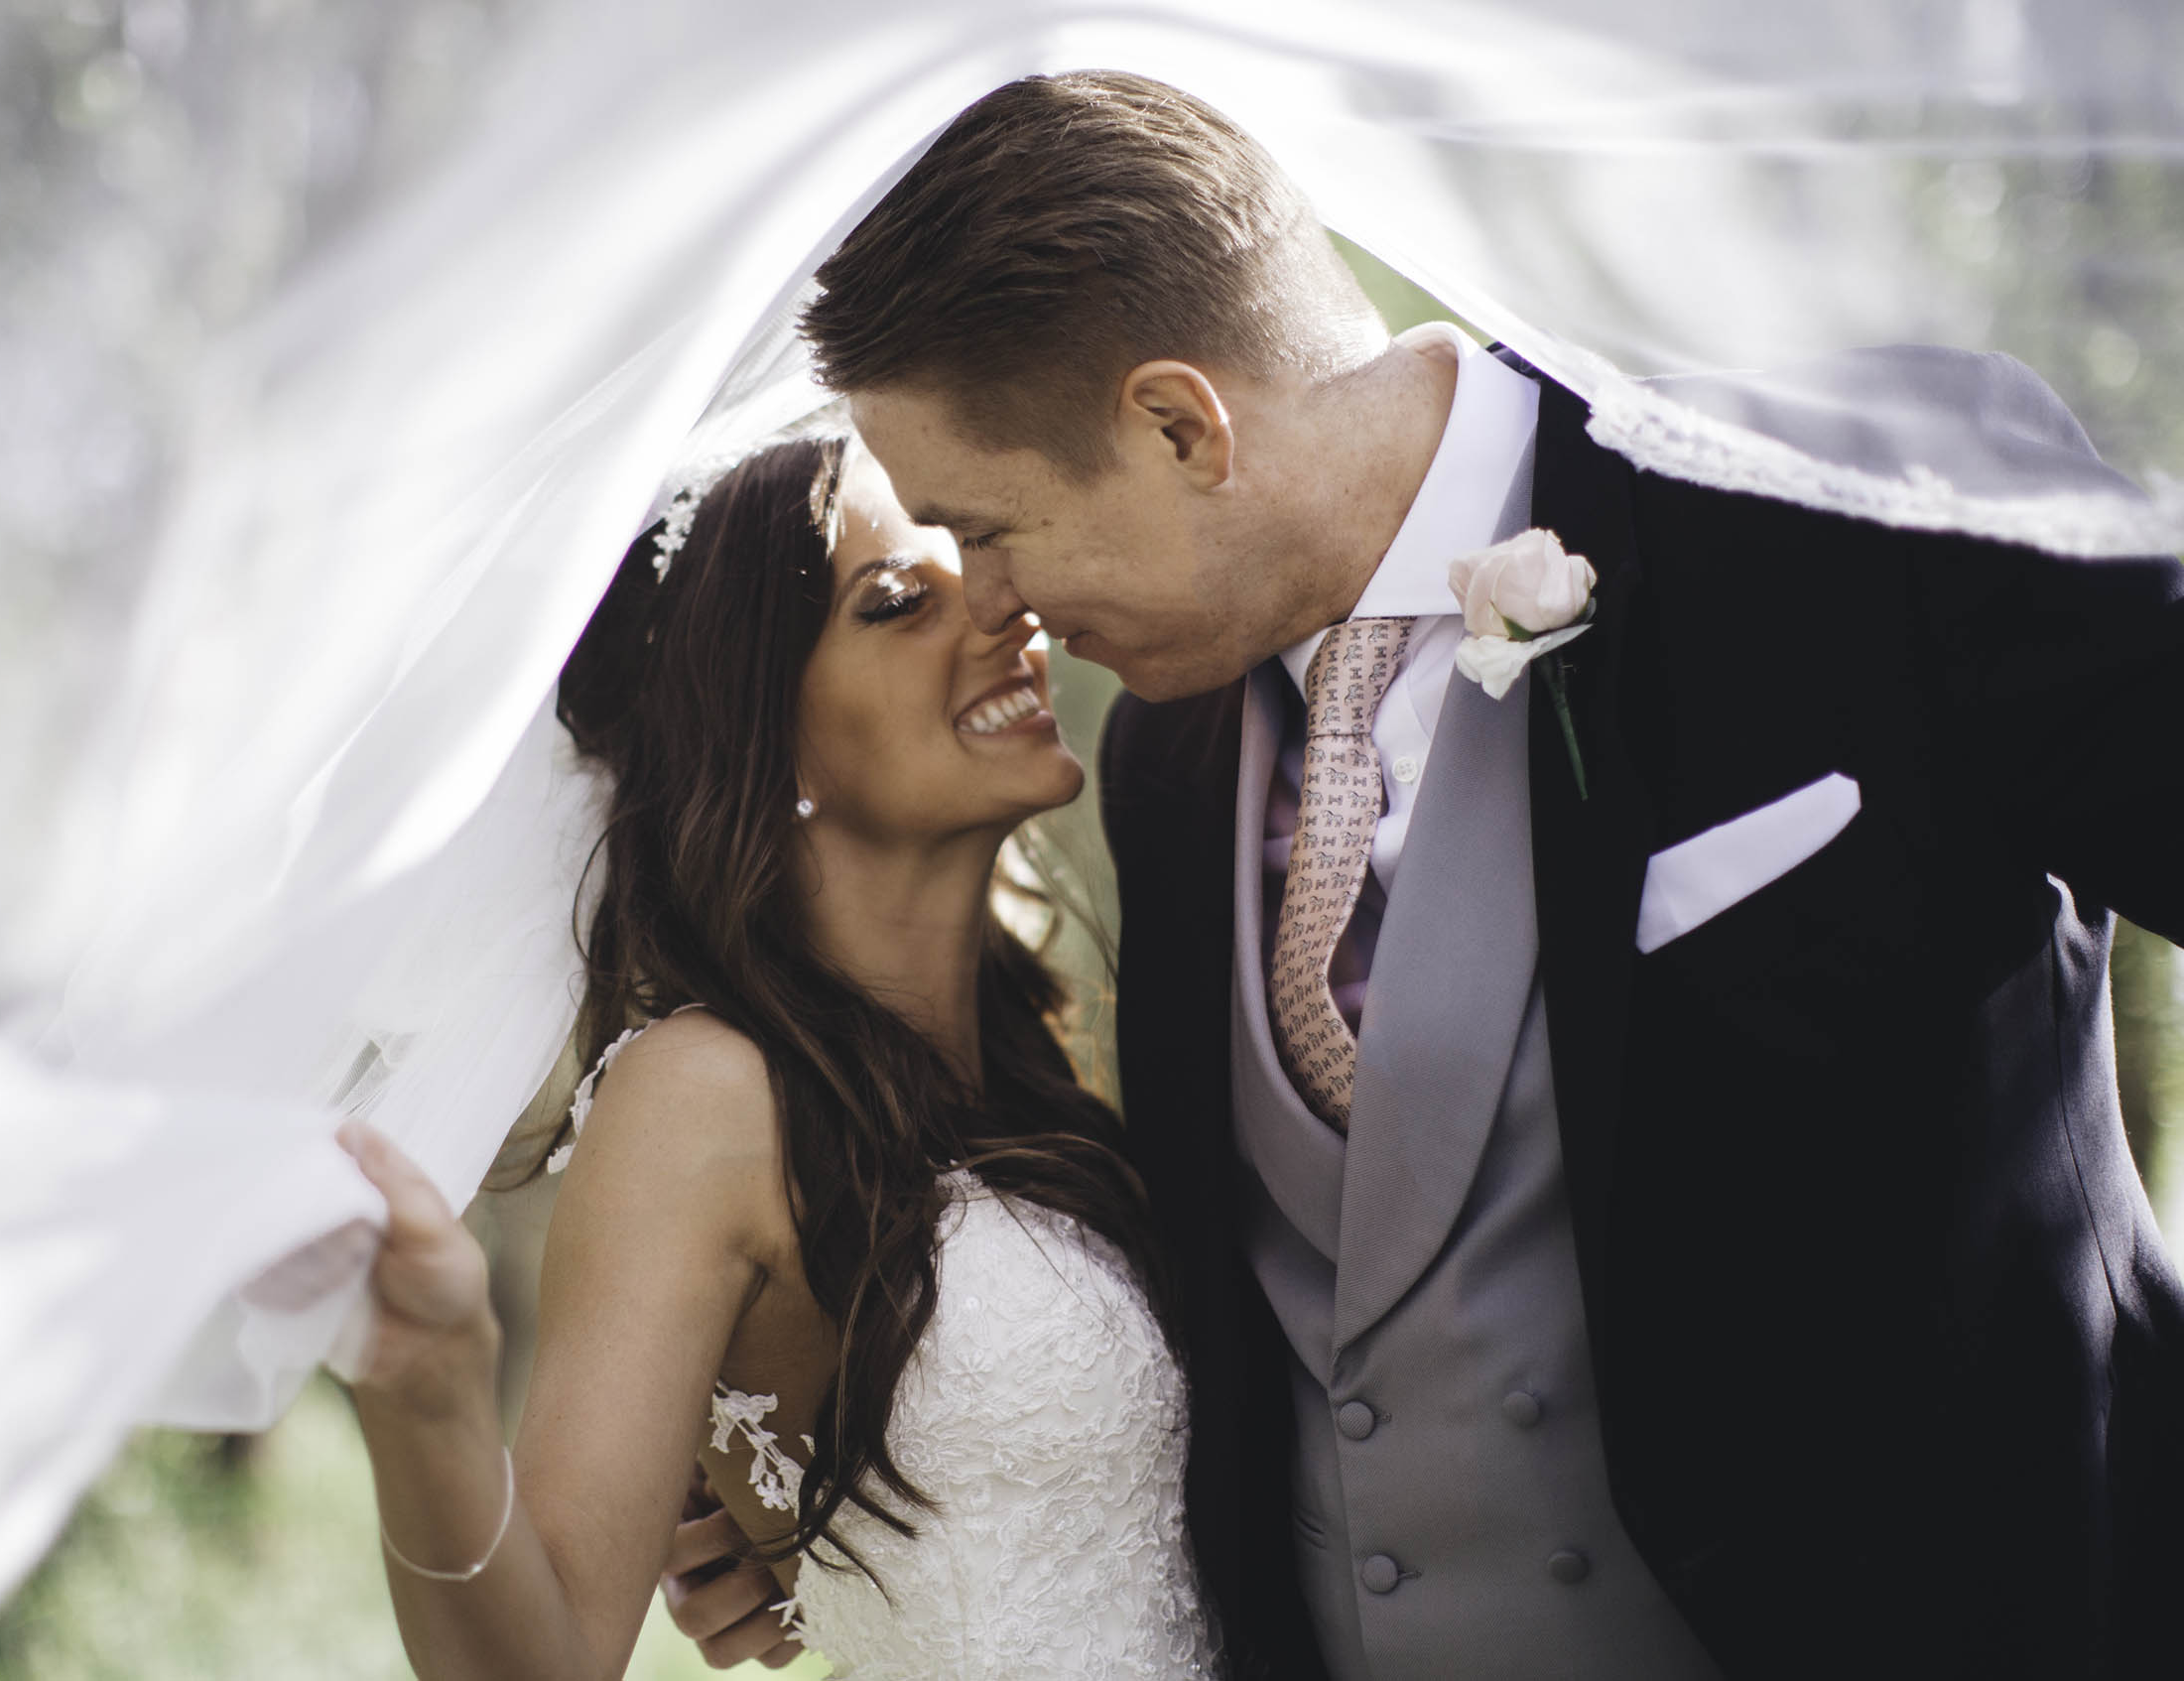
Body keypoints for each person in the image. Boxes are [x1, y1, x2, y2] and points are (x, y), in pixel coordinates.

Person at [661, 66, 2180, 1681]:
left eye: (994, 528)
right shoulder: (1167, 768)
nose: (1001, 608)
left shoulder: (1844, 512)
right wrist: (819, 1484)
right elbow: (1272, 1308)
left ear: (1181, 423)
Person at [333, 432, 1221, 1678]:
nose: (1000, 607)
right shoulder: (701, 1097)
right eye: (899, 600)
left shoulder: (1022, 1064)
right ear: (761, 734)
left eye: (973, 557)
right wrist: (427, 1395)